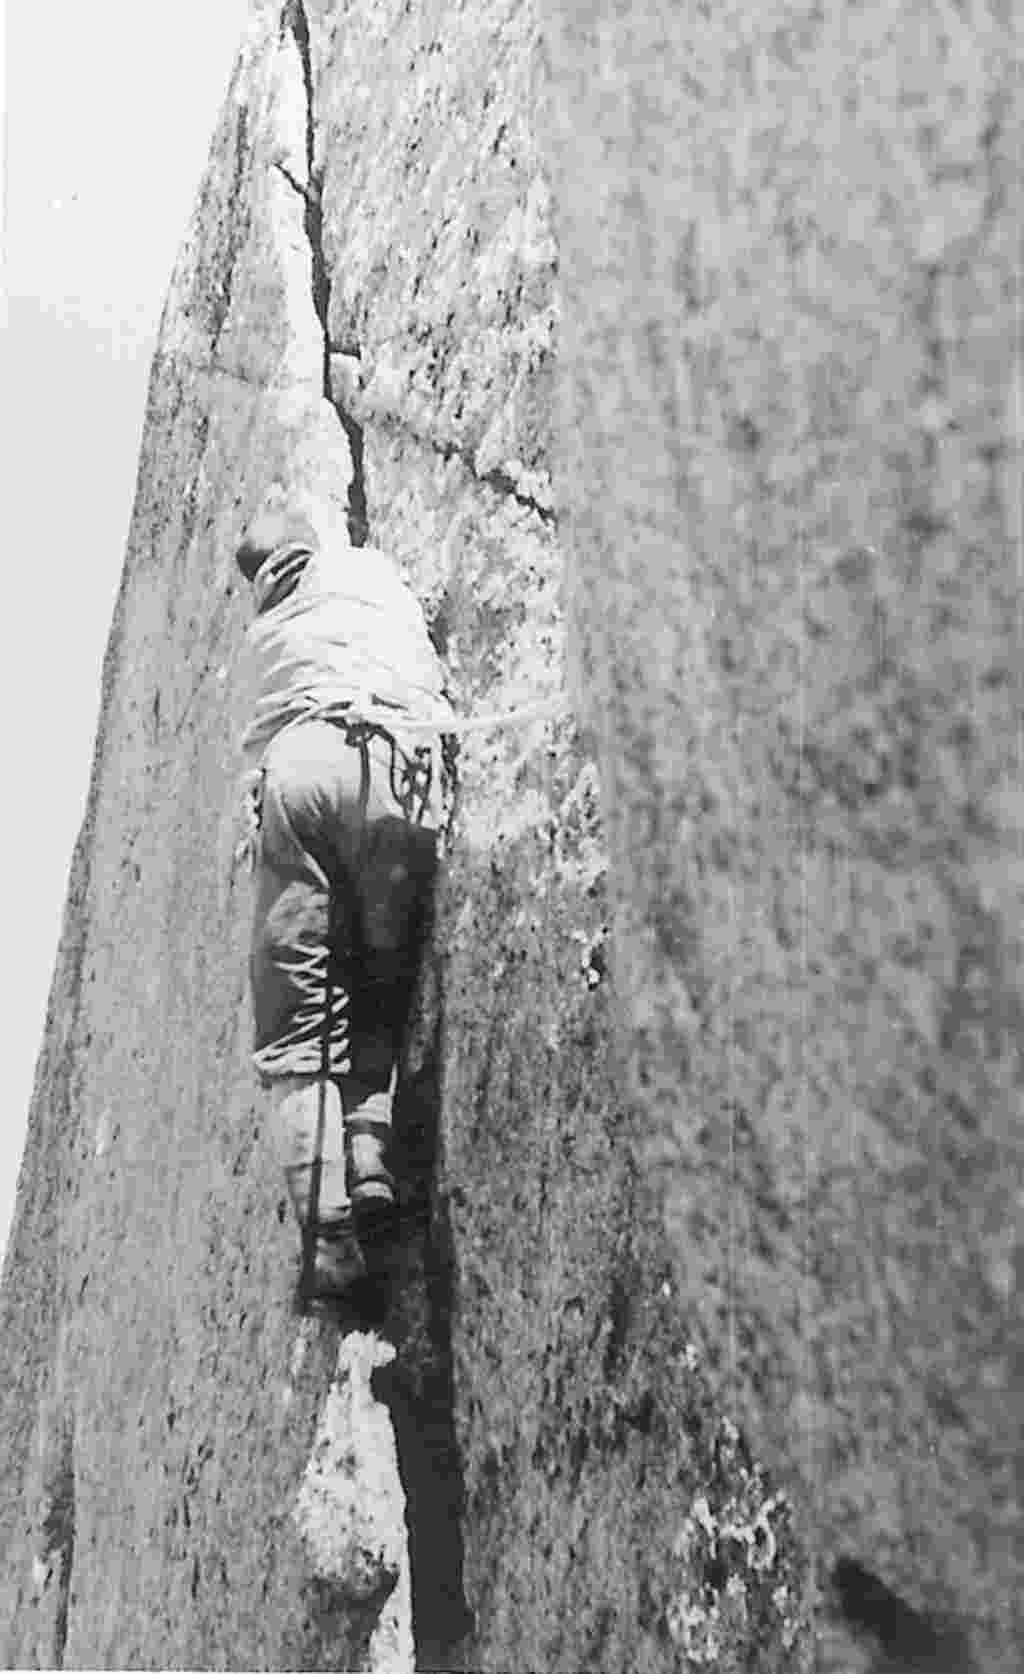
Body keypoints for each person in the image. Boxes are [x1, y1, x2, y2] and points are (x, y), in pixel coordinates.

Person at [233, 495, 452, 1302]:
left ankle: (331, 1244)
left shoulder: (263, 639)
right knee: (379, 982)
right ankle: (369, 1162)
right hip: (394, 768)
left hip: (300, 773)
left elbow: (256, 750)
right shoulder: (368, 574)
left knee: (297, 1021)